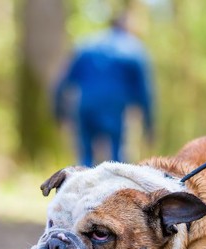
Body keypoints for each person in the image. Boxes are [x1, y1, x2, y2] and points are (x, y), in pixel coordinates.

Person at [53, 16, 154, 167]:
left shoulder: (85, 45)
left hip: (85, 105)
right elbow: (144, 91)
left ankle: (83, 186)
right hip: (115, 108)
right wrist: (149, 124)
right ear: (125, 28)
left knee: (85, 157)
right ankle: (118, 187)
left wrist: (58, 112)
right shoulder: (133, 48)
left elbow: (63, 81)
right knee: (117, 158)